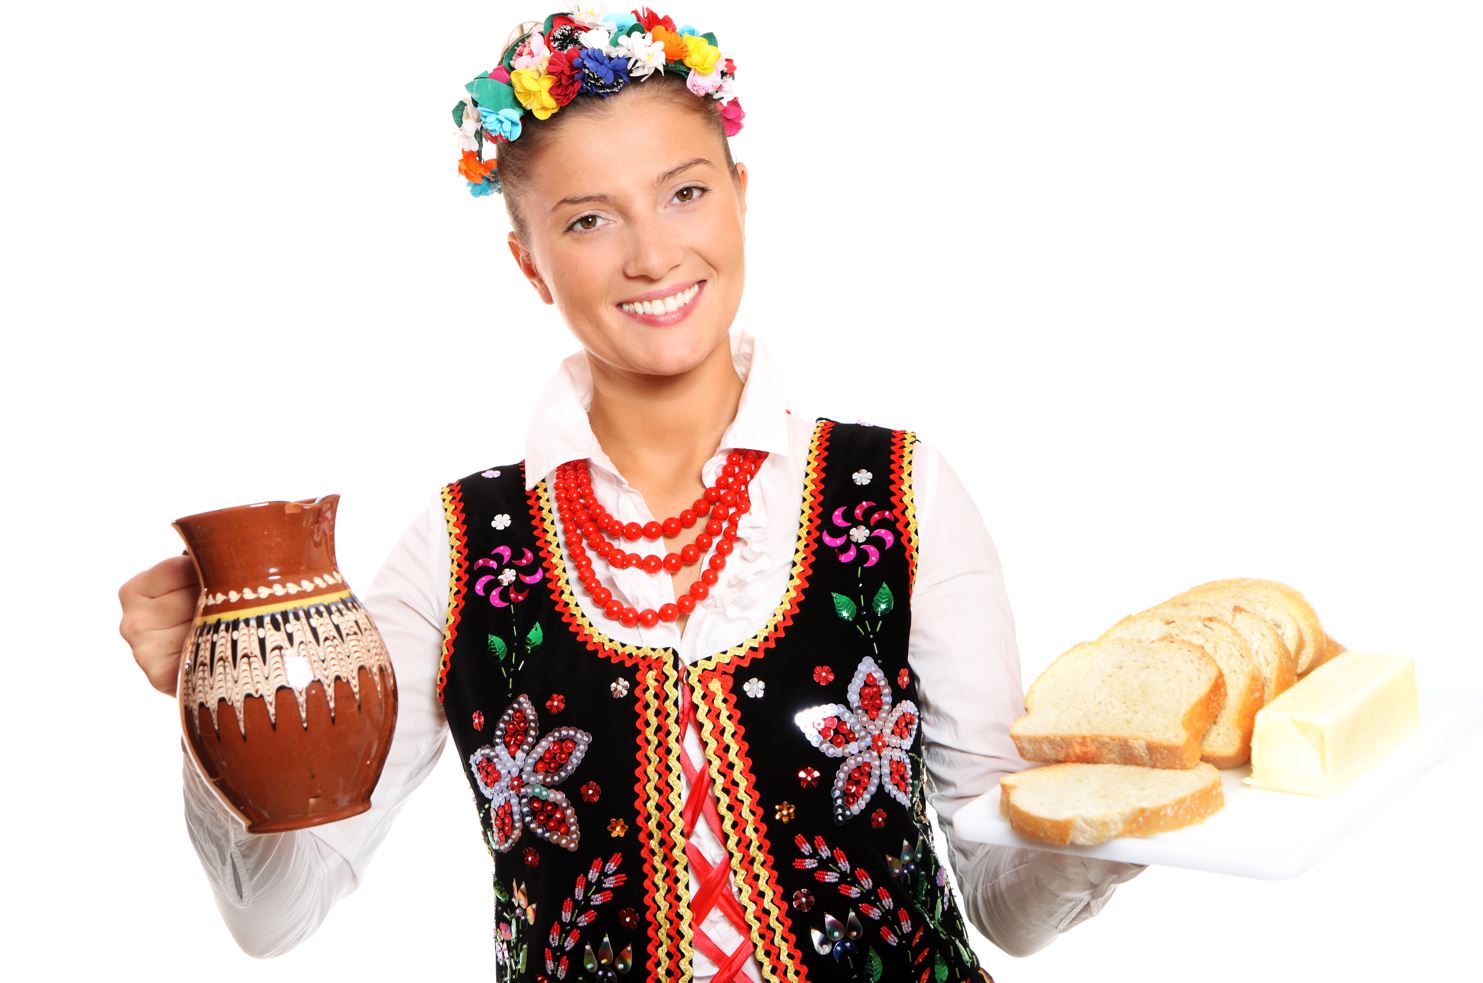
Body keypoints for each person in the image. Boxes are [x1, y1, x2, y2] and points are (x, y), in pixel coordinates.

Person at [118, 6, 1145, 980]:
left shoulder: (898, 492)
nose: (652, 253)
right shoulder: (457, 545)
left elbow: (1006, 904)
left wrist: (1122, 809)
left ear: (742, 192)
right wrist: (222, 696)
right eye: (589, 220)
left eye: (686, 192)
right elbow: (272, 913)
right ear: (529, 262)